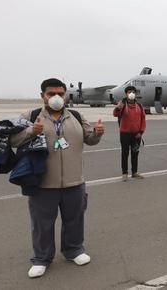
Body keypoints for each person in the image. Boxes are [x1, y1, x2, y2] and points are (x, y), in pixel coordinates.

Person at [10, 78, 104, 278]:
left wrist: (97, 133)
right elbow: (13, 139)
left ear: (65, 95)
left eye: (60, 94)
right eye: (51, 94)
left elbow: (90, 139)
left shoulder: (76, 116)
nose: (56, 98)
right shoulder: (30, 116)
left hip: (74, 181)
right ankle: (42, 258)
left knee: (74, 220)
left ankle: (74, 250)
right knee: (42, 223)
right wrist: (30, 131)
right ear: (42, 95)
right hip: (43, 184)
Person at [113, 86, 146, 181]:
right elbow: (115, 114)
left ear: (135, 94)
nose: (131, 93)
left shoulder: (139, 106)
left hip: (136, 135)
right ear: (126, 94)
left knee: (135, 153)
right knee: (125, 153)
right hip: (125, 134)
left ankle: (134, 172)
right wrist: (118, 108)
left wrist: (141, 131)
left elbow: (143, 119)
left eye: (133, 92)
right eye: (129, 92)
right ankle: (124, 173)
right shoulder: (122, 104)